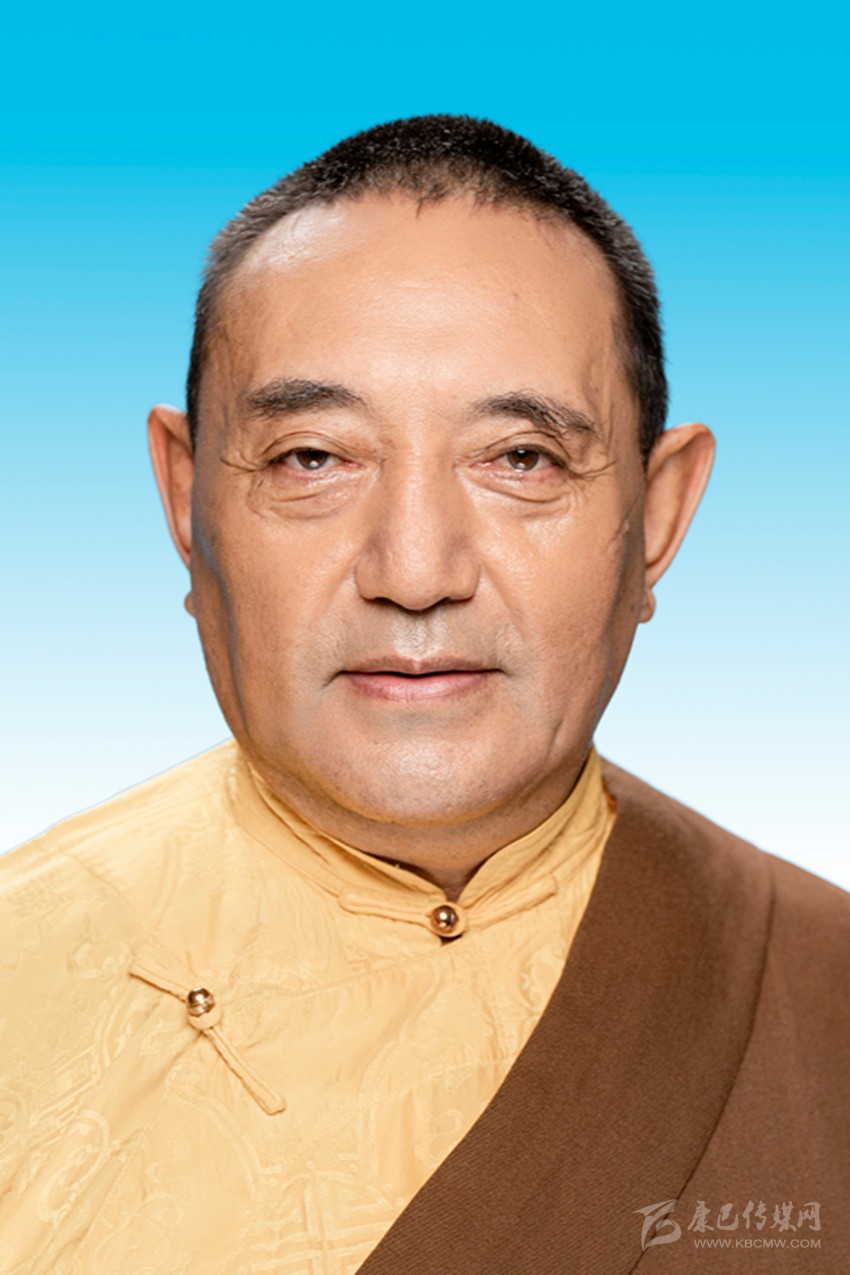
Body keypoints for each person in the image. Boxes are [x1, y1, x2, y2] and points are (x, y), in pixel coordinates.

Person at [1, 116, 847, 1274]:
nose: (413, 572)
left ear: (655, 516)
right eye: (312, 458)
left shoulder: (821, 991)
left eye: (521, 459)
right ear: (184, 497)